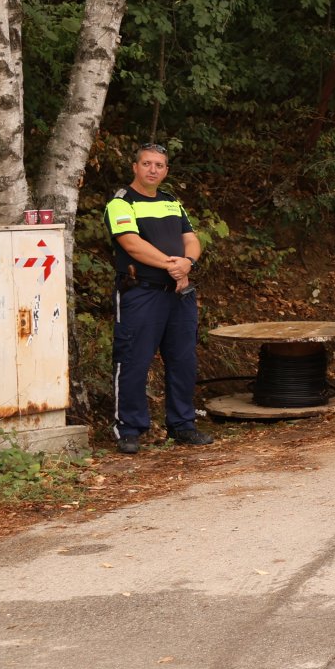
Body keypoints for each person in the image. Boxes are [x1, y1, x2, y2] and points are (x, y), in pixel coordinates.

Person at [106, 143, 214, 454]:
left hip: (178, 296)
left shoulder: (171, 202)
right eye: (147, 163)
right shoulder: (121, 202)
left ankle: (182, 425)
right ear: (135, 167)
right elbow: (131, 244)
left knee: (183, 361)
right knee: (132, 360)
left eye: (159, 165)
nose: (153, 169)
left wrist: (188, 264)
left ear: (166, 171)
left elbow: (191, 240)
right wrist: (174, 266)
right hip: (141, 293)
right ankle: (128, 428)